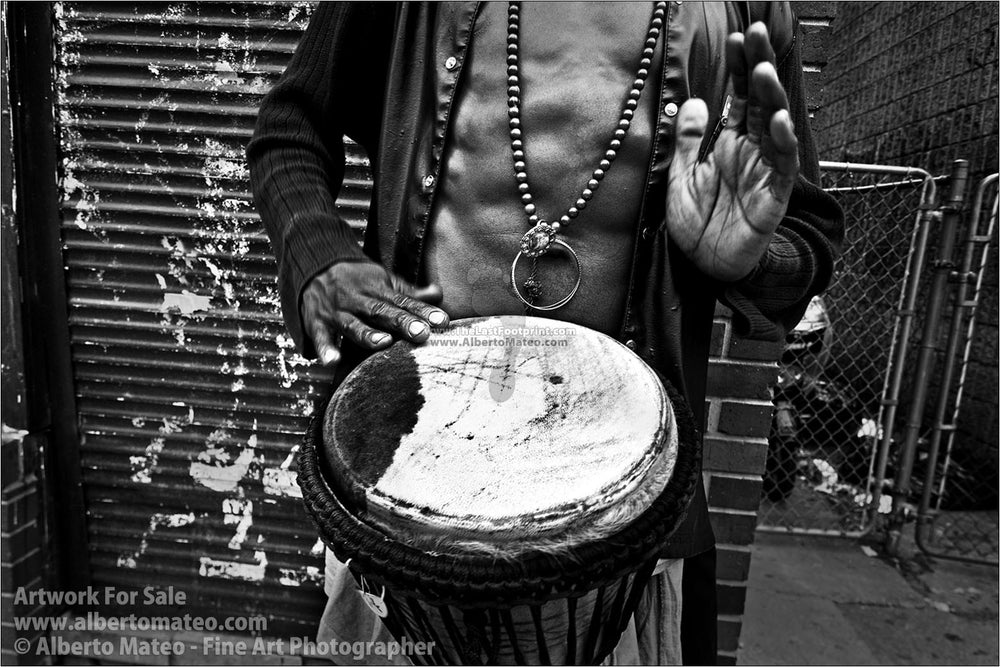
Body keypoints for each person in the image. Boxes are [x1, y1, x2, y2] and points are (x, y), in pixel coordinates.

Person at [248, 2, 843, 664]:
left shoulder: (747, 9)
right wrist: (316, 253)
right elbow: (290, 129)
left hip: (626, 529)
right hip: (404, 496)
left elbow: (806, 236)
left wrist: (750, 255)